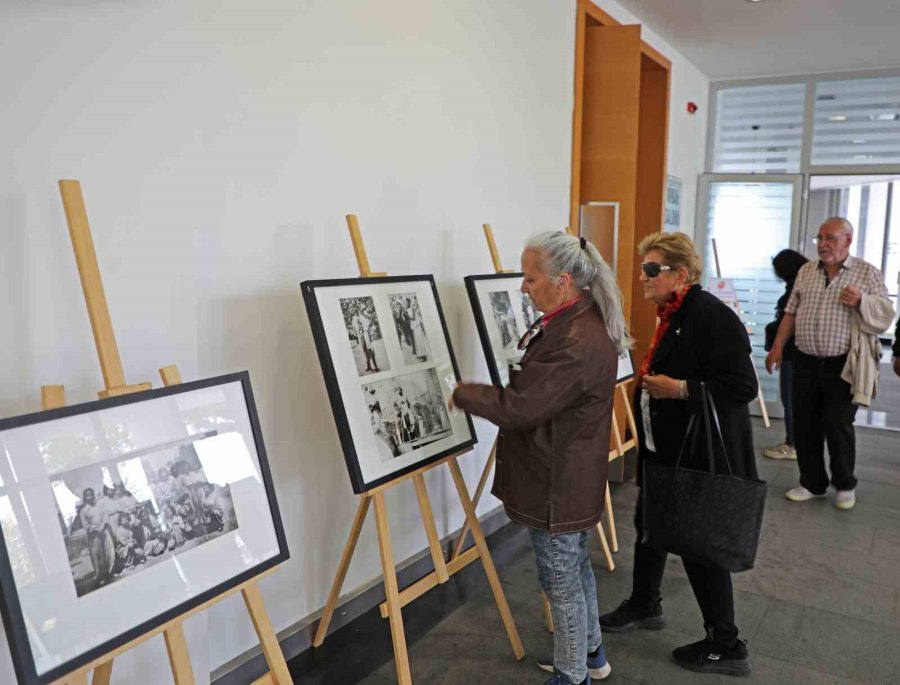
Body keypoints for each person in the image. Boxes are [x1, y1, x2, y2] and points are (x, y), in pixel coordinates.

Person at [452, 231, 628, 685]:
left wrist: (458, 393)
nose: (523, 288)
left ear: (563, 281)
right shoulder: (581, 318)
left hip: (558, 481)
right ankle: (591, 656)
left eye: (530, 279)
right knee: (576, 569)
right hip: (570, 473)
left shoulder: (574, 337)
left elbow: (520, 408)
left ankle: (573, 677)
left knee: (562, 583)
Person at [599, 231, 758, 677]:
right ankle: (645, 603)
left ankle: (726, 643)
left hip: (696, 451)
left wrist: (682, 389)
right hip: (663, 446)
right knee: (651, 524)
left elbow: (743, 387)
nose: (643, 277)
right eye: (643, 268)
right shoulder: (673, 312)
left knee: (697, 545)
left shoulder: (711, 315)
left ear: (680, 275)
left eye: (652, 269)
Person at [765, 218, 894, 510]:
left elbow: (886, 315)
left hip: (843, 364)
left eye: (831, 238)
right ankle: (812, 483)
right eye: (819, 238)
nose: (823, 244)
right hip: (806, 361)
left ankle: (845, 484)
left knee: (837, 424)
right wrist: (777, 347)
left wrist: (863, 300)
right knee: (805, 425)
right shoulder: (807, 271)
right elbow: (791, 313)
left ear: (848, 241)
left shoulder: (867, 273)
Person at [763, 249, 809, 460]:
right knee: (793, 398)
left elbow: (789, 320)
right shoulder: (805, 282)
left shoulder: (797, 288)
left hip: (792, 351)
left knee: (789, 397)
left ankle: (792, 443)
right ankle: (796, 442)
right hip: (796, 350)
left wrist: (778, 346)